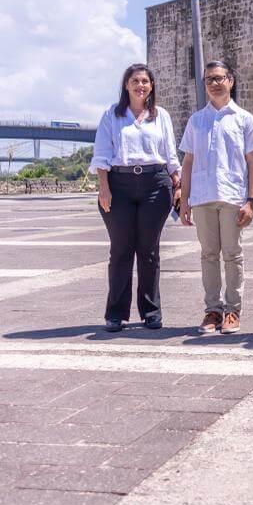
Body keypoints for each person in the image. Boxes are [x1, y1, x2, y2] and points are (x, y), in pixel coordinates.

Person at [89, 64, 181, 332]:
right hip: (119, 185)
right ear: (126, 85)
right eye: (135, 81)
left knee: (149, 251)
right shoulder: (112, 115)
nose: (140, 85)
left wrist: (178, 184)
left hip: (155, 184)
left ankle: (151, 312)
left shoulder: (160, 115)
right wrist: (104, 188)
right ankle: (115, 314)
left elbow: (170, 154)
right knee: (120, 250)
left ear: (151, 86)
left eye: (145, 81)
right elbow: (102, 154)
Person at [180, 60, 253, 335]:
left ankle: (232, 310)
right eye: (209, 79)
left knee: (232, 254)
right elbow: (188, 162)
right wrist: (184, 200)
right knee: (208, 255)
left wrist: (251, 201)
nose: (214, 83)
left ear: (231, 81)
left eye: (219, 78)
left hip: (232, 196)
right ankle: (213, 310)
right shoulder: (196, 120)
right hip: (202, 197)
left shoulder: (244, 119)